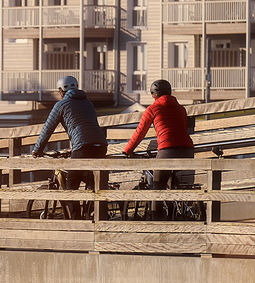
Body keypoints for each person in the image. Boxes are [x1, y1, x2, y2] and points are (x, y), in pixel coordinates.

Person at [30, 75, 108, 218]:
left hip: (83, 147)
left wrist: (37, 150)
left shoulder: (61, 104)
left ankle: (76, 221)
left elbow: (48, 128)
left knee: (71, 185)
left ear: (61, 91)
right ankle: (97, 212)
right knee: (94, 178)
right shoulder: (88, 103)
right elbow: (86, 126)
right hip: (101, 145)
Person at [122, 79, 194, 217]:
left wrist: (128, 150)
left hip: (167, 150)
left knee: (158, 185)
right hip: (187, 149)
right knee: (179, 184)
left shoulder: (153, 109)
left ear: (154, 94)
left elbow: (140, 132)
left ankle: (157, 218)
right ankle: (183, 212)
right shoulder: (181, 109)